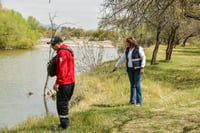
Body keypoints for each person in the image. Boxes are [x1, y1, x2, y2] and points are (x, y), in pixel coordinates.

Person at [47, 36, 75, 130]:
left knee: (61, 104)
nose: (52, 46)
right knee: (64, 103)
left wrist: (57, 83)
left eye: (53, 44)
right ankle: (64, 124)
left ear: (59, 43)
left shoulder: (62, 53)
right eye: (51, 45)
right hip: (71, 81)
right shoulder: (68, 49)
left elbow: (62, 70)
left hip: (64, 83)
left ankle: (64, 126)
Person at [113, 37, 146, 106]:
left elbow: (143, 58)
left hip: (137, 69)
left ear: (130, 42)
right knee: (132, 85)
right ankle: (132, 101)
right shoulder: (127, 50)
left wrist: (142, 67)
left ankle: (139, 102)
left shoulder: (138, 48)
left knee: (137, 84)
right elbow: (122, 58)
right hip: (130, 70)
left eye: (127, 43)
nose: (126, 44)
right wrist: (116, 66)